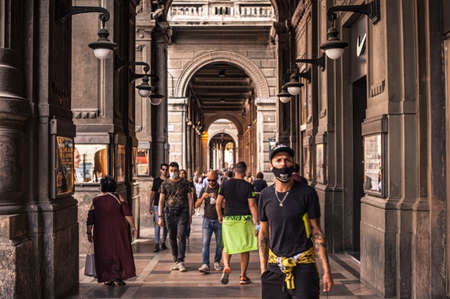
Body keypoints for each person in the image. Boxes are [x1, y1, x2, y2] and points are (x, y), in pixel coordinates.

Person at [258, 144, 333, 299]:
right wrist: (263, 269)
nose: (283, 164)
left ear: (293, 164)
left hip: (303, 265)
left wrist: (326, 270)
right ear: (271, 165)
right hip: (275, 266)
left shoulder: (307, 193)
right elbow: (264, 233)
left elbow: (316, 231)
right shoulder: (265, 195)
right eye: (278, 160)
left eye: (287, 160)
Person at [87, 176, 137, 286]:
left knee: (104, 253)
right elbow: (127, 212)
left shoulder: (95, 200)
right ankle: (118, 277)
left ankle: (107, 278)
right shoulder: (118, 197)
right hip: (118, 231)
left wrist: (88, 232)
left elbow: (90, 217)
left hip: (101, 233)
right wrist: (133, 226)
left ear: (102, 187)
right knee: (119, 252)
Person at [216, 161, 258, 285]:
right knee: (244, 248)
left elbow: (218, 203)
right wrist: (257, 223)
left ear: (234, 171)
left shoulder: (225, 184)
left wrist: (219, 215)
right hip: (244, 220)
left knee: (227, 245)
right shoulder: (248, 186)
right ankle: (243, 276)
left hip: (228, 219)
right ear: (245, 172)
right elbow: (252, 205)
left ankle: (227, 266)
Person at [158, 162, 193, 272]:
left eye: (175, 170)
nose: (173, 173)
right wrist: (160, 216)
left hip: (182, 212)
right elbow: (161, 201)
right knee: (172, 237)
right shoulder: (165, 184)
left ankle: (181, 260)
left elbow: (190, 198)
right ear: (169, 171)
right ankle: (176, 260)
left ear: (178, 170)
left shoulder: (185, 183)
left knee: (181, 235)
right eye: (171, 171)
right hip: (169, 213)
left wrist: (190, 214)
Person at [195, 170, 223, 274]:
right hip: (207, 220)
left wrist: (218, 199)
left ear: (217, 179)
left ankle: (217, 262)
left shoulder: (221, 189)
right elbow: (196, 205)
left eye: (213, 180)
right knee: (205, 243)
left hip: (219, 220)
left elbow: (226, 205)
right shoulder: (204, 189)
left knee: (220, 244)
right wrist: (202, 197)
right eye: (209, 180)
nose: (211, 182)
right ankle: (205, 264)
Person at [150, 163, 169, 252]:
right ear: (160, 170)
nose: (165, 171)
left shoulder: (169, 181)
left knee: (166, 226)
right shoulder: (156, 180)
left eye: (166, 169)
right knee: (157, 224)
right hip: (157, 205)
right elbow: (153, 192)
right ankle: (157, 243)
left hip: (167, 206)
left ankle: (163, 242)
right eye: (163, 169)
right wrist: (150, 205)